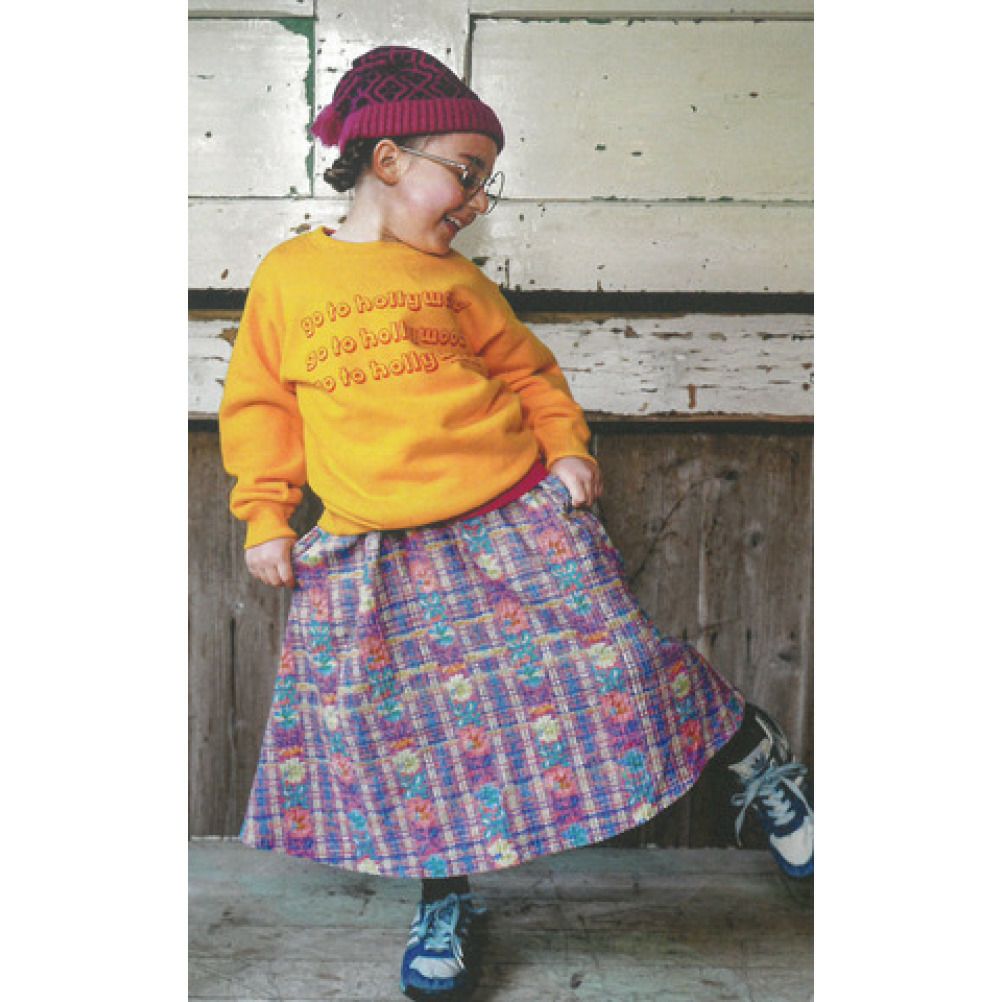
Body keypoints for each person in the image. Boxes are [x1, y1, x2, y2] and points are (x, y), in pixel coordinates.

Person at [219, 45, 813, 1002]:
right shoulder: (289, 277)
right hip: (377, 548)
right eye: (467, 172)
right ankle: (444, 900)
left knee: (623, 667)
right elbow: (261, 411)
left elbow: (531, 374)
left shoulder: (458, 285)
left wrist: (568, 449)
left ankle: (760, 760)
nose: (476, 199)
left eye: (486, 182)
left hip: (512, 520)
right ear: (388, 160)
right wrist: (265, 516)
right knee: (419, 731)